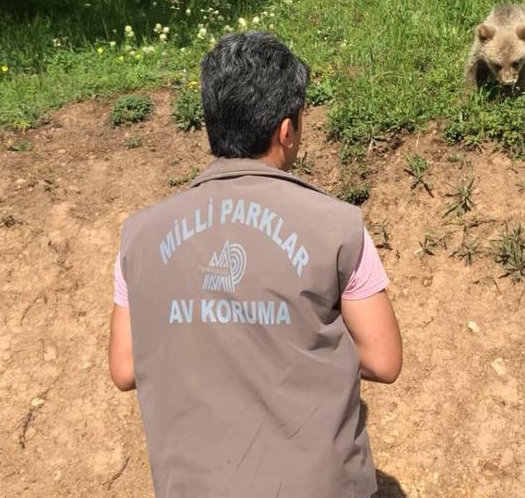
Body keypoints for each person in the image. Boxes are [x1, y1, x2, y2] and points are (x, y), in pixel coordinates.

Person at [108, 31, 402, 498]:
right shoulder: (338, 226)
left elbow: (124, 367)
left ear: (210, 122)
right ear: (287, 130)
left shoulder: (140, 236)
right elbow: (384, 360)